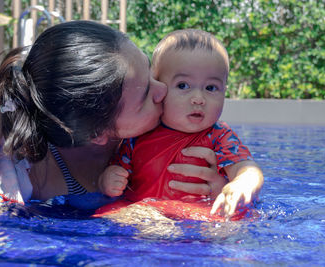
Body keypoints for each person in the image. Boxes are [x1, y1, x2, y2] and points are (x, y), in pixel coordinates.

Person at [0, 21, 227, 214]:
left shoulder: (170, 126)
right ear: (98, 133)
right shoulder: (28, 170)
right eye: (144, 99)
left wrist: (219, 192)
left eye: (149, 71)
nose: (164, 90)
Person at [98, 29, 264, 217]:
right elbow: (118, 168)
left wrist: (241, 184)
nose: (198, 98)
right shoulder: (140, 133)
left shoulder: (219, 136)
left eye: (211, 88)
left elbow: (248, 169)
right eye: (183, 85)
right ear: (158, 87)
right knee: (109, 214)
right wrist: (108, 179)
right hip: (146, 212)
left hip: (198, 215)